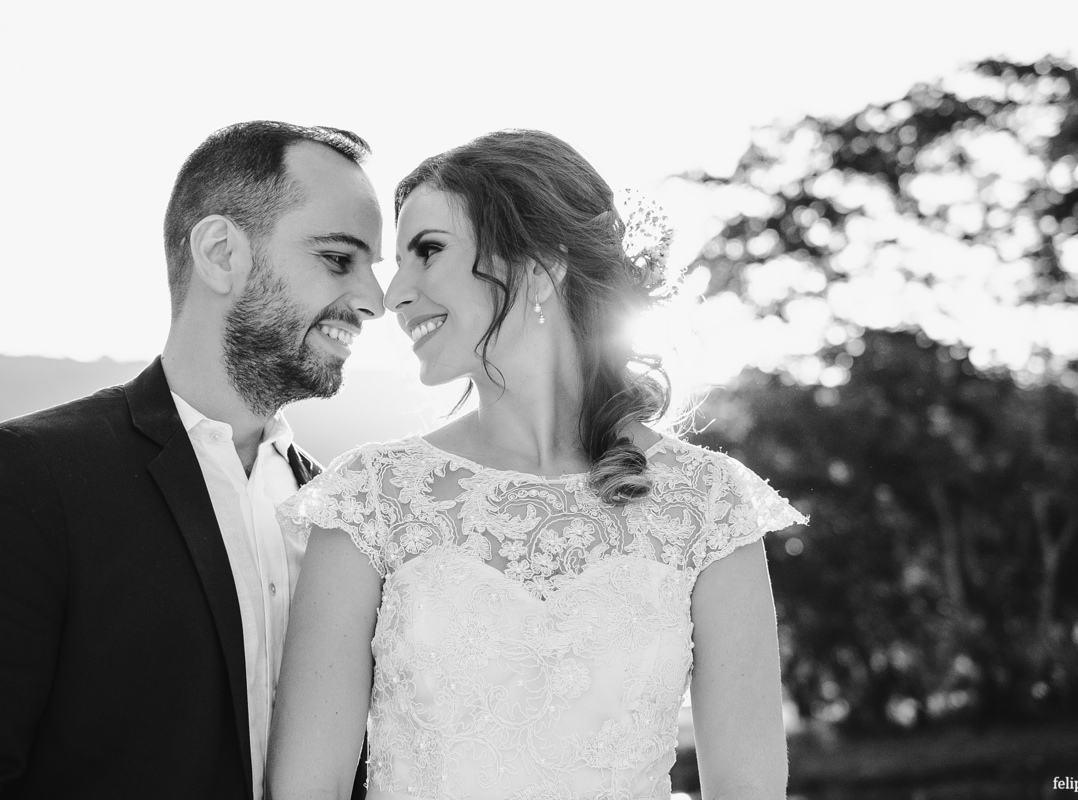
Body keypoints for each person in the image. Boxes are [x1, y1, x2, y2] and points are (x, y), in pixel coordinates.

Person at [267, 129, 807, 800]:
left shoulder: (708, 505)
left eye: (428, 251)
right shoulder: (370, 500)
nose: (395, 293)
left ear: (539, 268)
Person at [0, 120, 385, 800]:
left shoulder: (340, 515)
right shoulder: (32, 475)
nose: (373, 301)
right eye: (337, 258)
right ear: (220, 252)